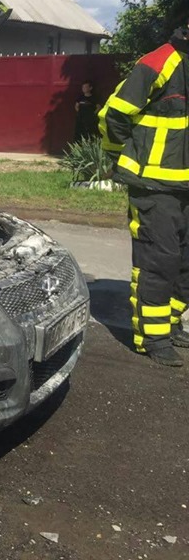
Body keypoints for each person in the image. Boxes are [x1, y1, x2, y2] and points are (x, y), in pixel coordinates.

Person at [99, 21, 189, 366]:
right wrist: (124, 156)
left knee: (184, 262)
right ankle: (153, 338)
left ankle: (169, 322)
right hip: (154, 186)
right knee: (160, 261)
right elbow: (113, 116)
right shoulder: (157, 63)